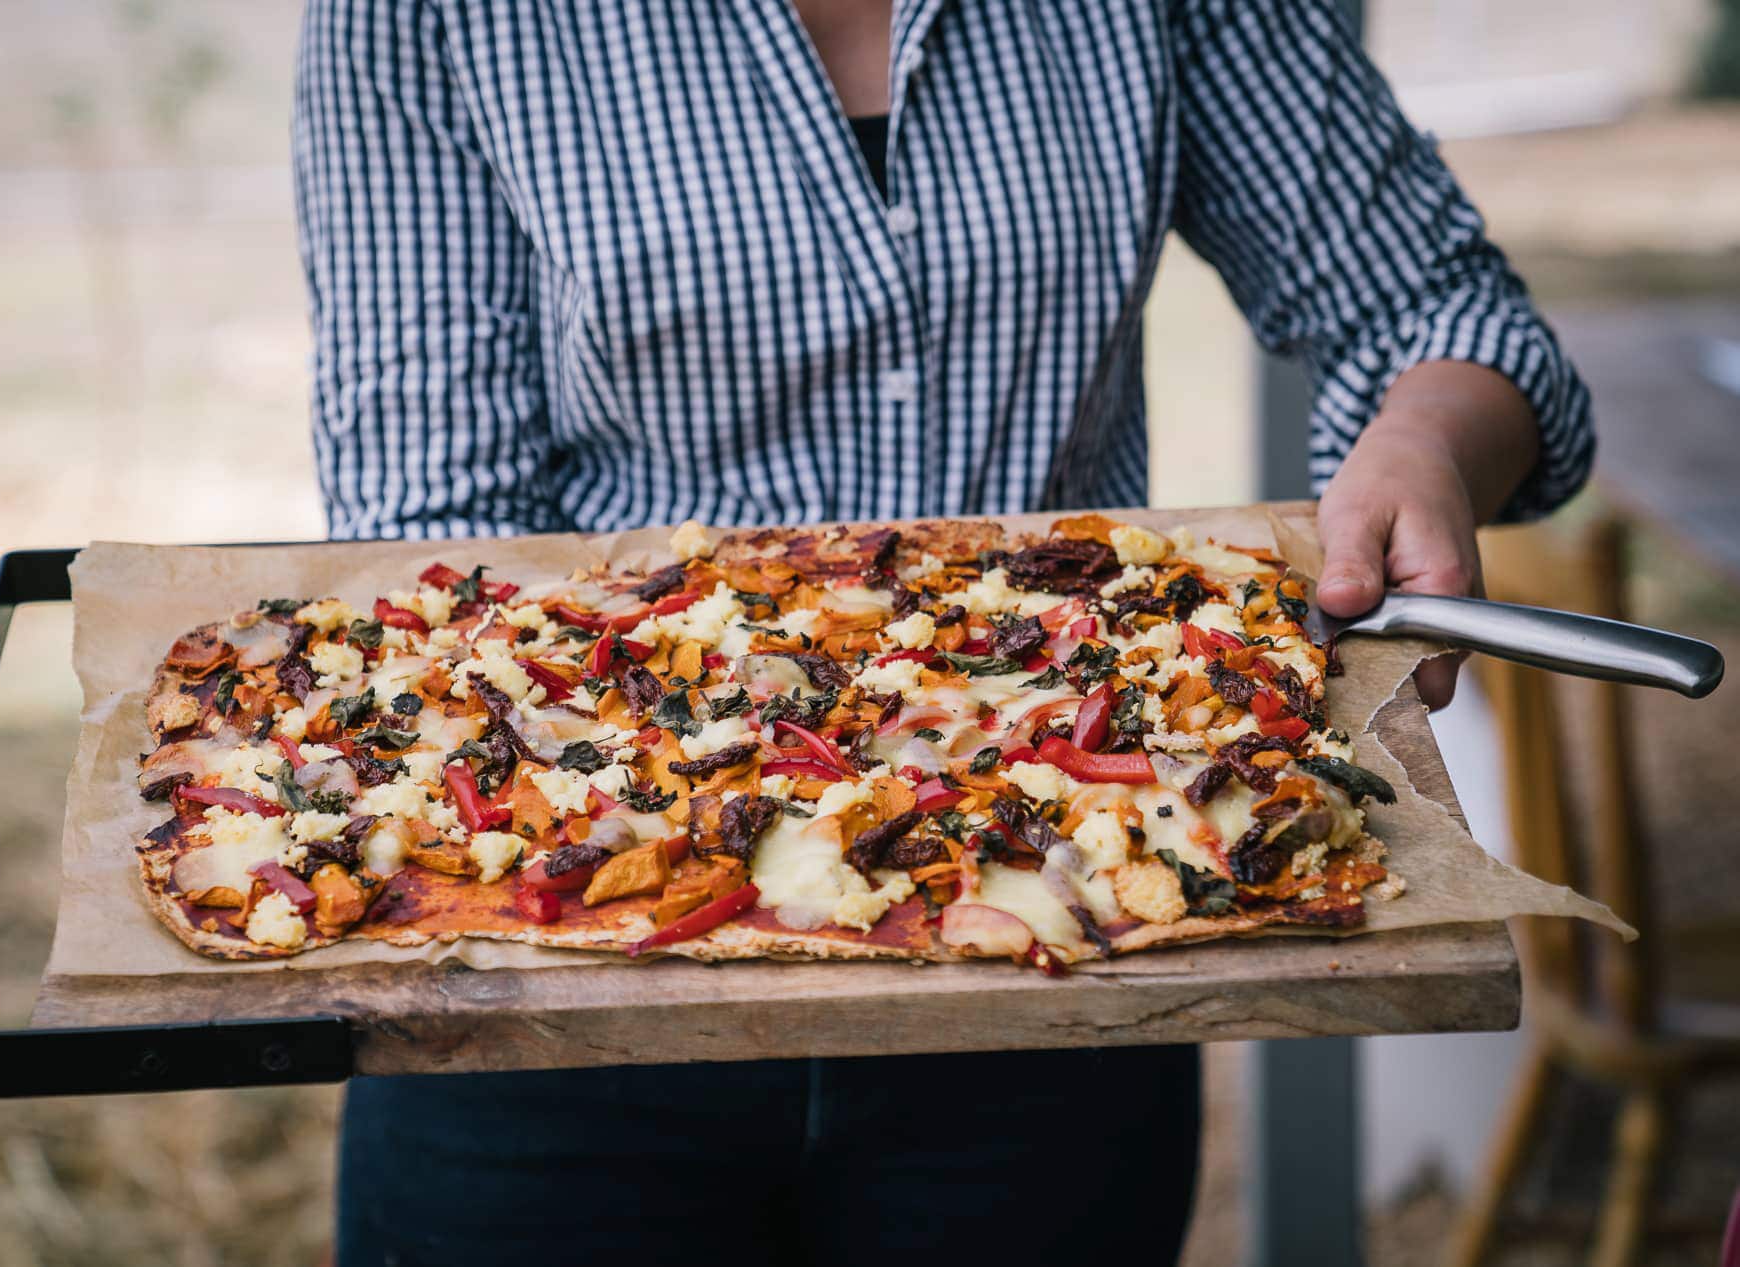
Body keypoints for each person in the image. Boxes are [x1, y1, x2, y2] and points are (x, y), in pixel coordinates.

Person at [292, 1, 1592, 1262]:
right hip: (552, 996)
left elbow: (1431, 308)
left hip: (1063, 952)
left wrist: (1424, 450)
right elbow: (432, 530)